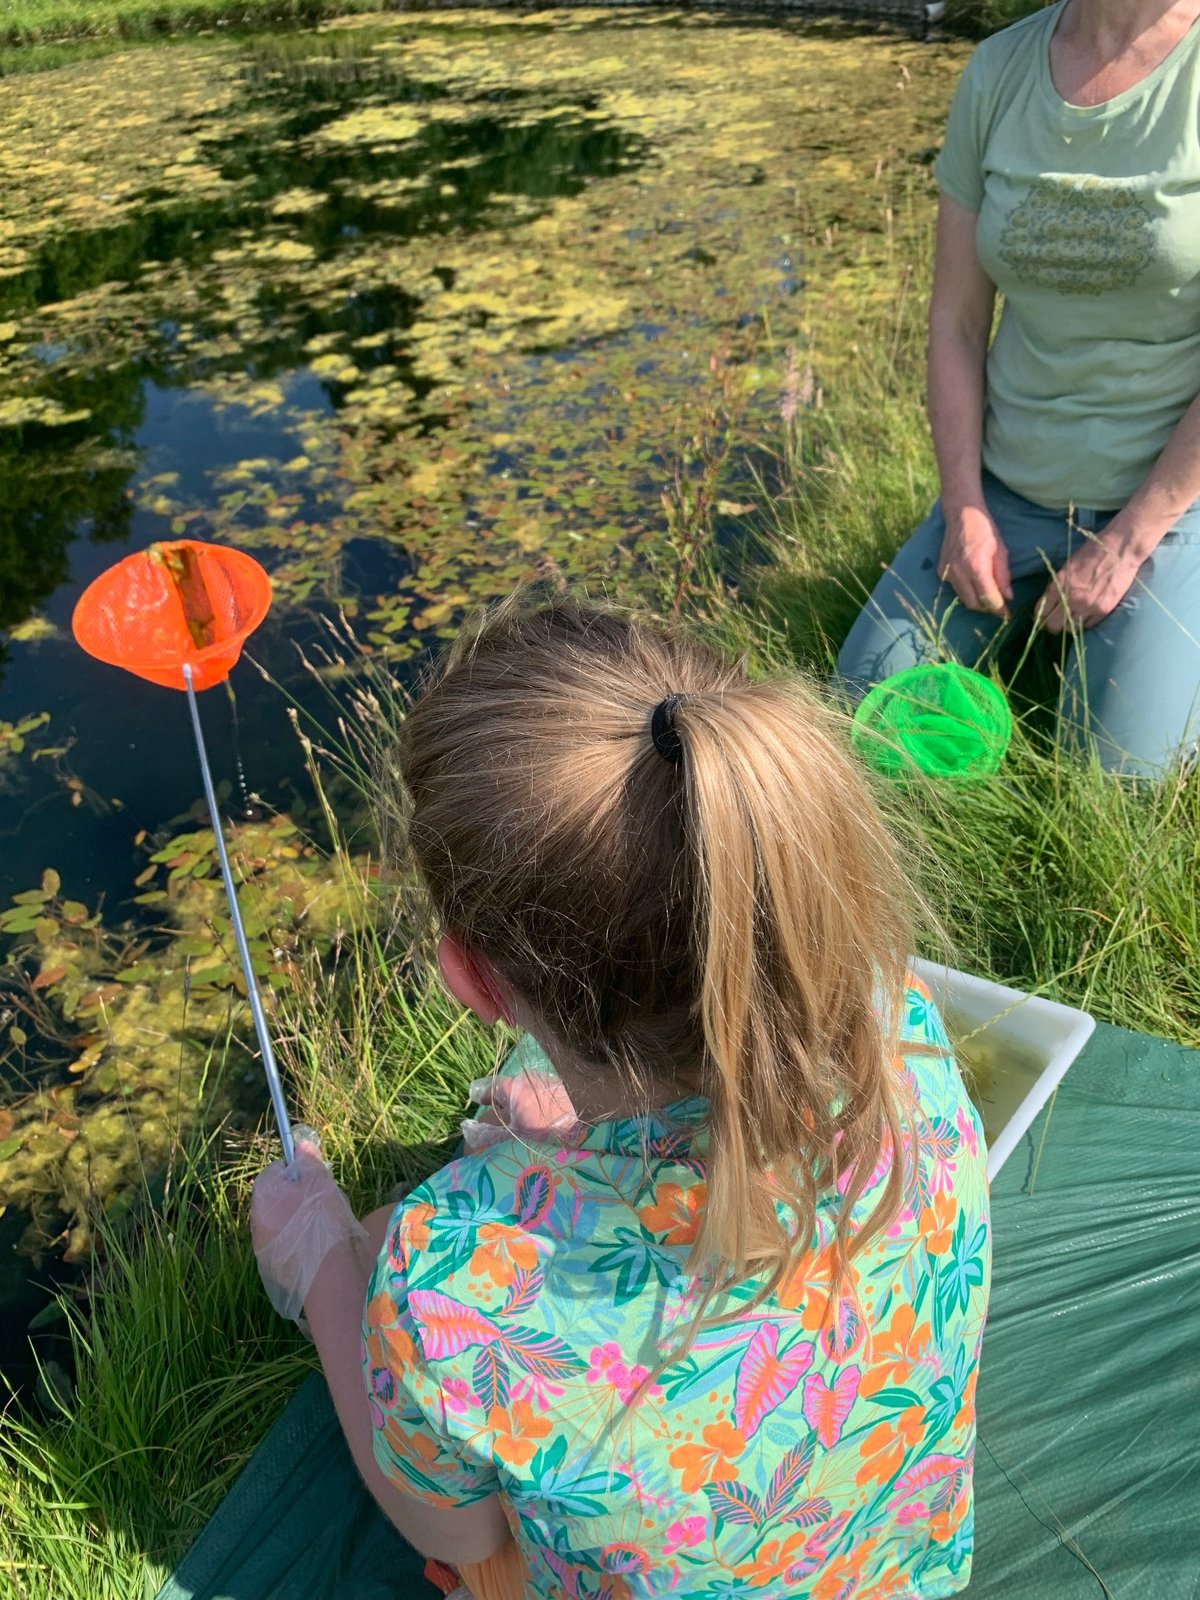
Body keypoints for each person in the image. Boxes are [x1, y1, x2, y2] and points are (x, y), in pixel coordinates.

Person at [251, 597, 991, 1599]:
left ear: (470, 978)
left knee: (470, 1535)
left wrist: (324, 1274)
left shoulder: (448, 1282)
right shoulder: (902, 1039)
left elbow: (452, 1532)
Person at [836, 0, 1200, 776]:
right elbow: (956, 324)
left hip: (1172, 500)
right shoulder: (999, 70)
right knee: (864, 715)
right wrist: (965, 506)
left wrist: (1131, 540)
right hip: (1009, 484)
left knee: (1114, 778)